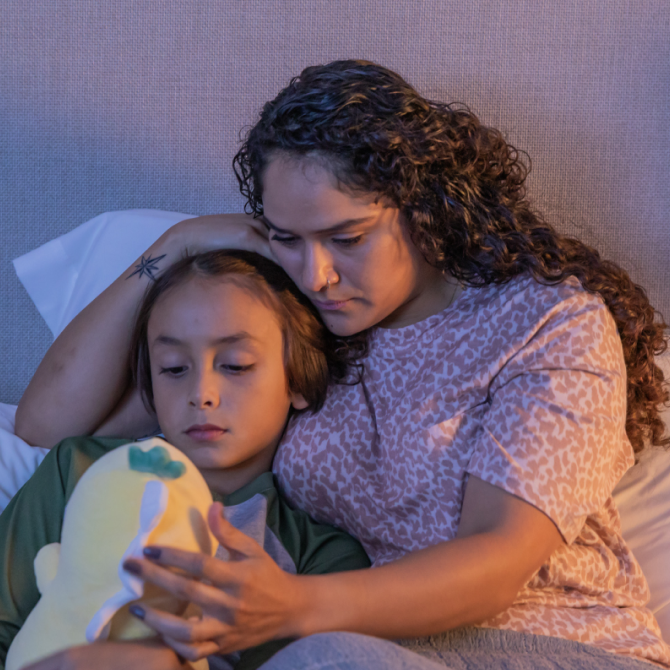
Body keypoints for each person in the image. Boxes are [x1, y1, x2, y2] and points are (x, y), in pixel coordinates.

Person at [15, 60, 670, 669]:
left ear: (424, 209)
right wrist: (177, 242)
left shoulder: (544, 322)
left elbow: (497, 560)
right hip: (361, 648)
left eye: (346, 238)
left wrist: (295, 607)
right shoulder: (305, 319)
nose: (318, 273)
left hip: (549, 645)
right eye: (287, 238)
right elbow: (46, 425)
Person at [0, 250, 370, 670]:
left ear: (299, 378)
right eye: (174, 369)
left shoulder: (321, 559)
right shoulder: (82, 469)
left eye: (236, 365)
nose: (202, 393)